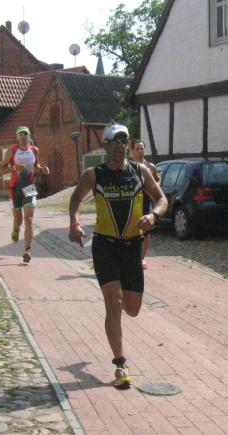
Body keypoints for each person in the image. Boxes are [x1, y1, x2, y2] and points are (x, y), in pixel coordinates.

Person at [68, 124, 168, 389]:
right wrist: (74, 223)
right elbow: (76, 198)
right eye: (114, 142)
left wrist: (153, 215)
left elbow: (161, 199)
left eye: (124, 142)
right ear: (106, 146)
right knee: (113, 304)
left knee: (132, 309)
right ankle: (120, 364)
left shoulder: (140, 171)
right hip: (105, 246)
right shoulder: (94, 175)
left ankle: (122, 295)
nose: (120, 147)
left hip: (132, 247)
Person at [1, 126, 50, 263]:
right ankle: (16, 227)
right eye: (20, 135)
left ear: (29, 137)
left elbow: (36, 166)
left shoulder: (34, 150)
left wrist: (42, 169)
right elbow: (2, 169)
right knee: (19, 220)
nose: (23, 137)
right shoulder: (12, 151)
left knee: (29, 219)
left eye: (25, 135)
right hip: (15, 188)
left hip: (29, 187)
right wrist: (14, 167)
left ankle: (27, 250)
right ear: (17, 138)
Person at [129, 140, 161, 269]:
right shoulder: (128, 166)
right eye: (137, 149)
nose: (140, 151)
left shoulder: (150, 166)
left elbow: (158, 180)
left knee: (146, 230)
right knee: (132, 229)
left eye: (142, 149)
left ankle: (142, 258)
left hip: (145, 200)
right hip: (131, 201)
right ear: (132, 151)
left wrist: (154, 188)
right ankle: (131, 256)